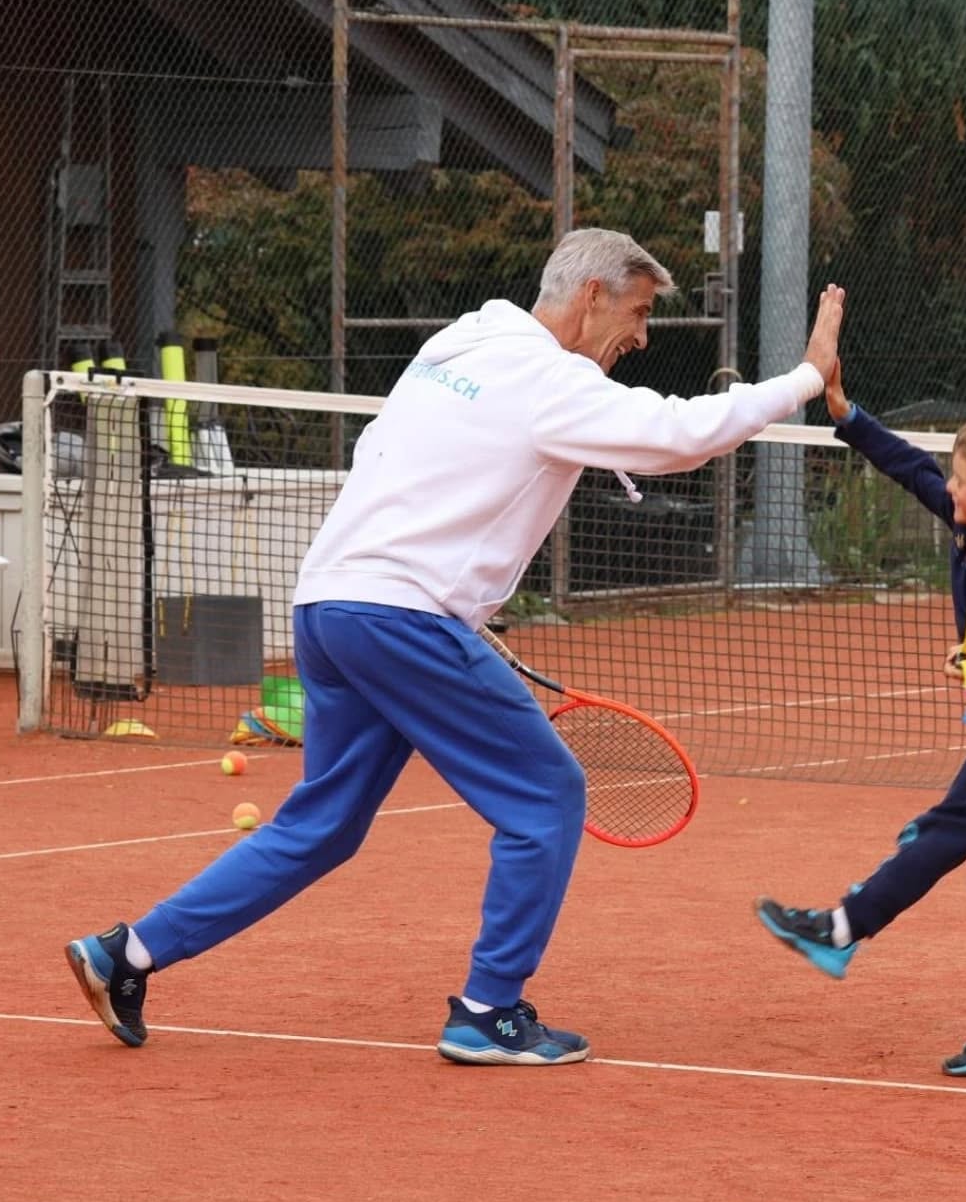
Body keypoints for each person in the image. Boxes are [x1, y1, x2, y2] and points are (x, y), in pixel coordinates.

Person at [67, 227, 846, 1065]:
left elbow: (411, 464)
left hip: (331, 606)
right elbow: (682, 436)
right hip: (403, 618)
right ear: (590, 297)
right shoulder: (547, 379)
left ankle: (127, 954)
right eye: (638, 310)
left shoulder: (460, 342)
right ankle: (489, 1011)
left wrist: (458, 601)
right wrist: (807, 376)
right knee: (546, 796)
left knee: (323, 826)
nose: (642, 334)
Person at [755, 362, 966, 1077]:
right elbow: (908, 468)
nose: (947, 485)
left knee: (939, 837)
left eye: (960, 479)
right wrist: (845, 414)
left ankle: (841, 928)